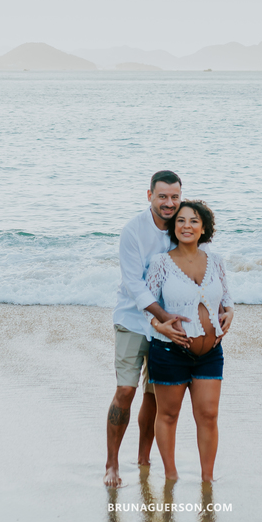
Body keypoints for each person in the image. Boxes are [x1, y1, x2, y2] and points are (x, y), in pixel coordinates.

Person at [105, 171, 193, 488]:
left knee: (155, 396)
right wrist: (162, 317)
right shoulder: (133, 231)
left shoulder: (183, 226)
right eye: (163, 197)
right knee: (126, 390)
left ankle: (144, 459)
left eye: (174, 197)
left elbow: (197, 268)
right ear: (149, 196)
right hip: (133, 320)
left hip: (168, 326)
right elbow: (134, 285)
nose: (169, 203)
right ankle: (112, 463)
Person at [145, 199, 233, 483]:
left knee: (208, 415)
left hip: (210, 353)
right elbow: (145, 306)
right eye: (181, 220)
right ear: (173, 226)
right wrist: (161, 325)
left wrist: (231, 313)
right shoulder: (161, 263)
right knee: (168, 415)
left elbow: (227, 300)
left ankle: (207, 479)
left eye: (194, 220)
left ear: (204, 227)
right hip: (169, 351)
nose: (187, 226)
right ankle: (171, 476)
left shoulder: (216, 261)